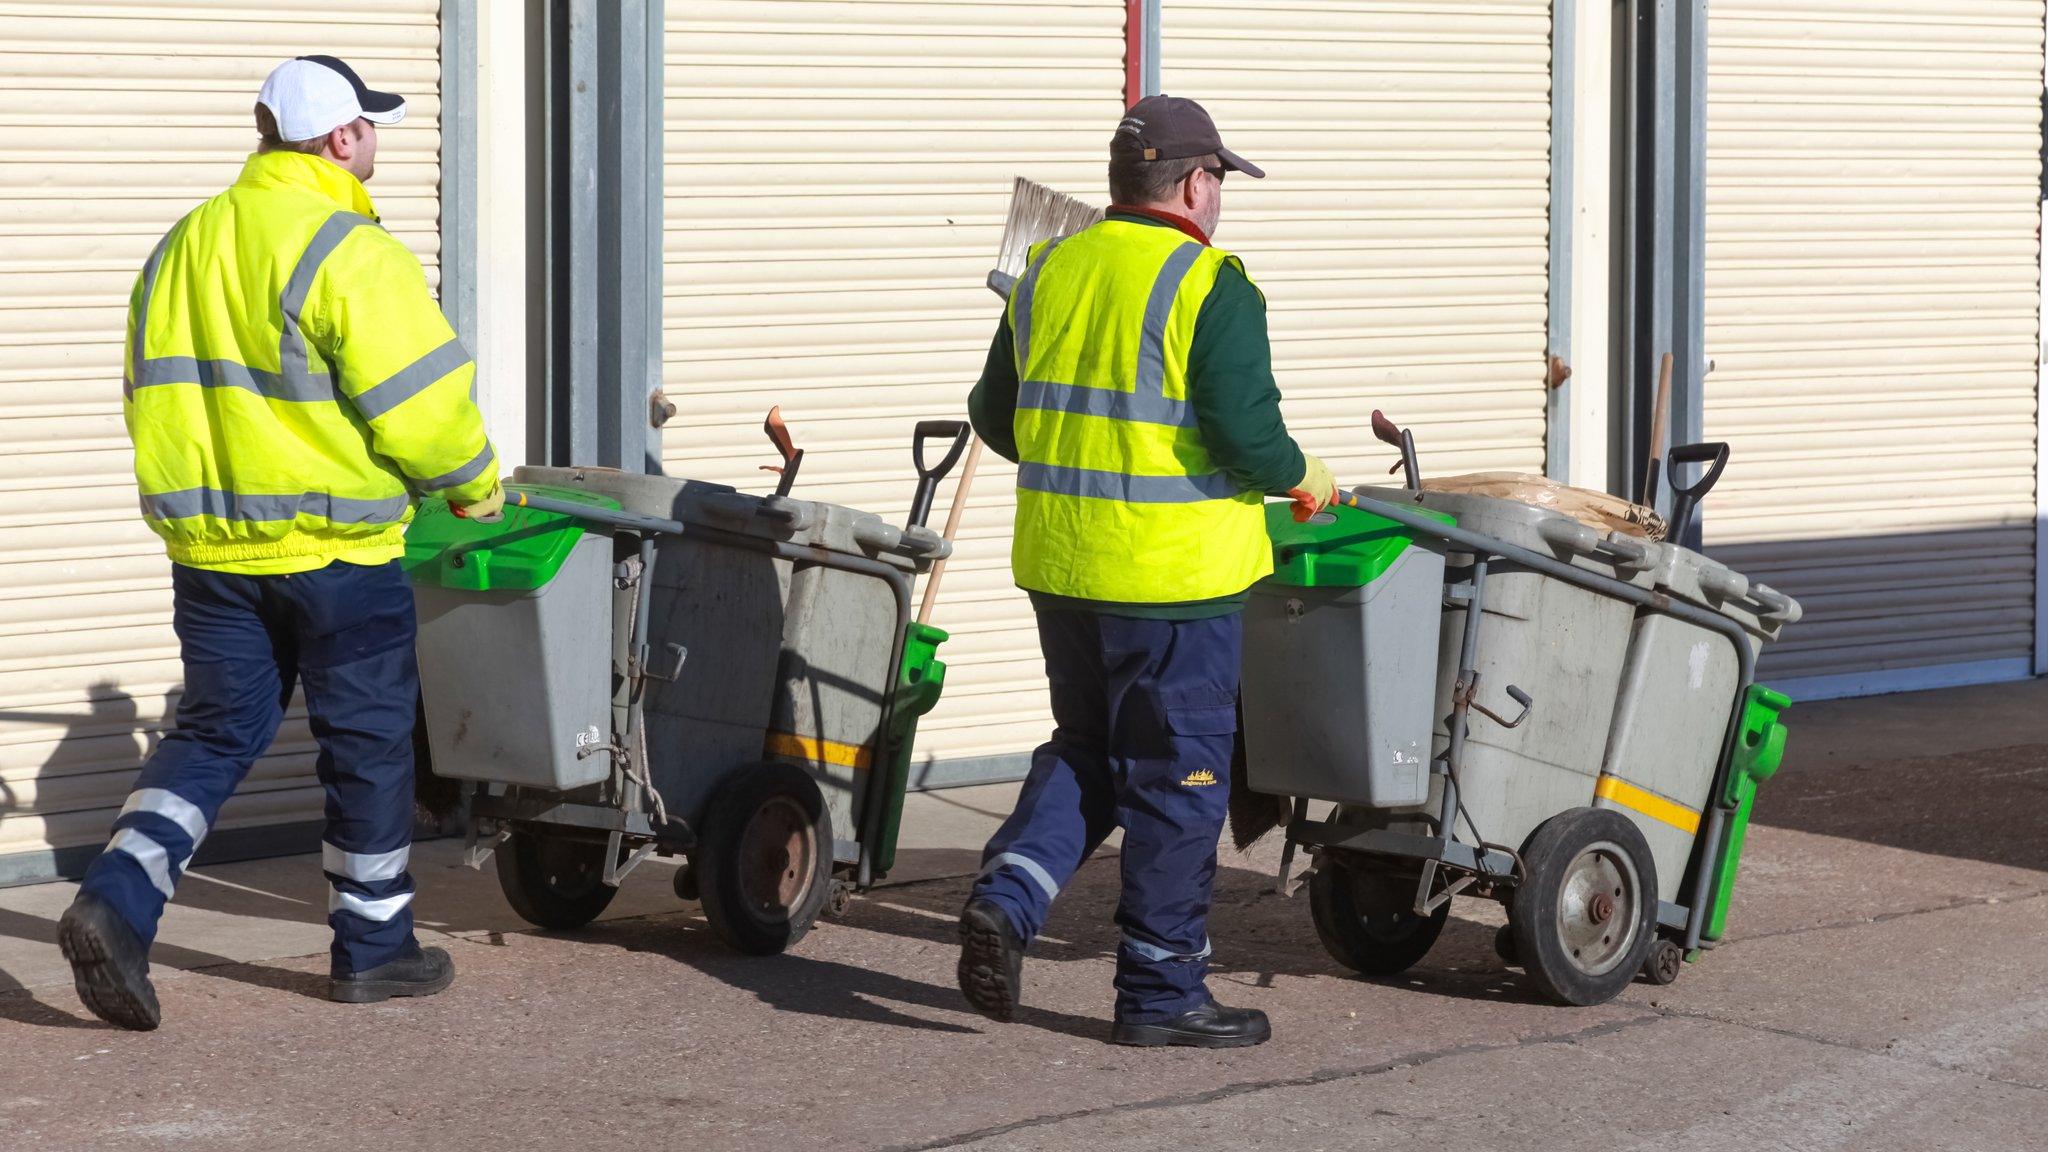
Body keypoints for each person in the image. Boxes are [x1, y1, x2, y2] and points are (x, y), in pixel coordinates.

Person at [57, 55, 504, 1030]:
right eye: (371, 126)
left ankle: (116, 903)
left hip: (213, 561)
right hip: (338, 558)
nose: (376, 140)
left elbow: (148, 395)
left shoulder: (185, 243)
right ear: (341, 138)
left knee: (214, 734)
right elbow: (424, 409)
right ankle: (374, 949)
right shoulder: (348, 248)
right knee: (366, 748)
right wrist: (473, 489)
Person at [957, 95, 1335, 1048]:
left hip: (1061, 568)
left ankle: (1009, 895)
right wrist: (1308, 478)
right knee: (1179, 781)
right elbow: (1250, 442)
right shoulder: (1211, 286)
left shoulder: (1051, 270)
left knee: (1086, 749)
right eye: (1220, 184)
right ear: (1198, 182)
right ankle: (1161, 997)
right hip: (1174, 587)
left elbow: (997, 421)